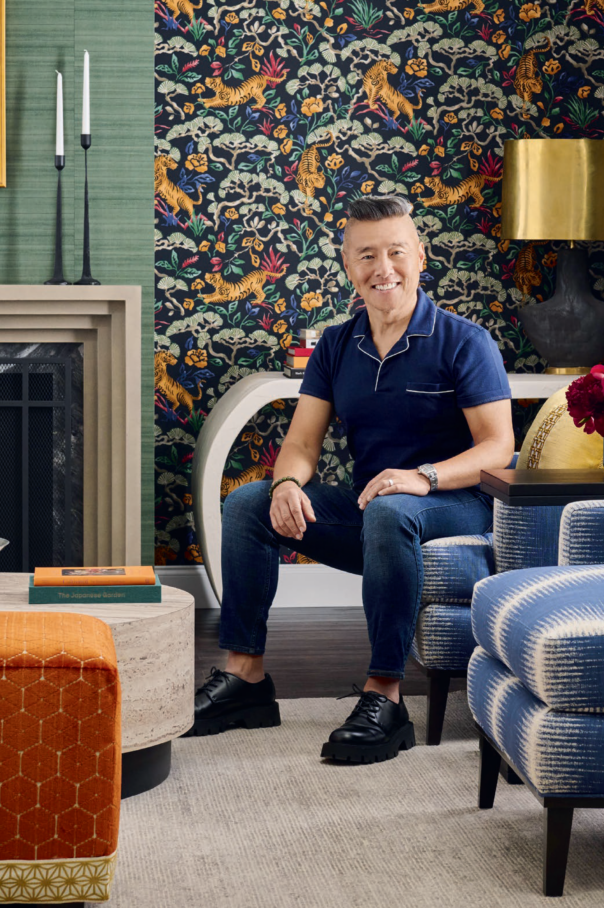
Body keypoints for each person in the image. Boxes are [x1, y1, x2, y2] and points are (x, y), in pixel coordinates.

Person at [185, 195, 515, 764]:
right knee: (247, 504)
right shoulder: (338, 344)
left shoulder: (465, 341)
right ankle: (246, 678)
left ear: (420, 256)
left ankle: (385, 697)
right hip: (377, 510)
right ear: (347, 266)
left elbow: (497, 447)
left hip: (456, 505)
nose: (383, 268)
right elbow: (301, 444)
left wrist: (424, 476)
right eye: (367, 255)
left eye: (396, 252)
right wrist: (287, 485)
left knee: (389, 508)